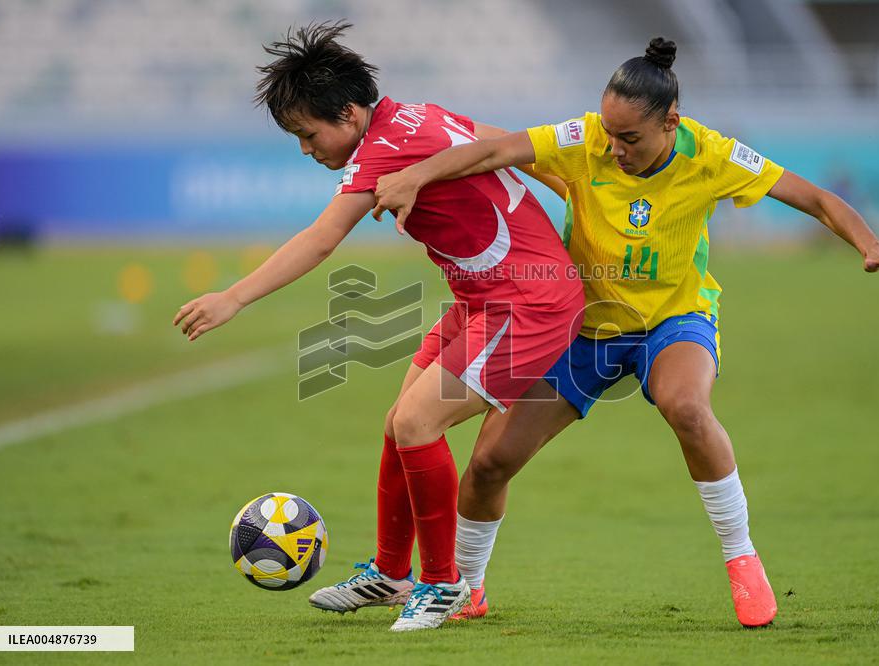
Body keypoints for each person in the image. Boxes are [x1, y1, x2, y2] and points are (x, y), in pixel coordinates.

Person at [372, 37, 879, 627]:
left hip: (673, 320)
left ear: (671, 124)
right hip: (584, 328)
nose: (614, 147)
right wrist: (416, 177)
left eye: (629, 138)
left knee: (685, 405)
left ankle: (741, 556)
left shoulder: (713, 155)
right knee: (489, 464)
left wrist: (869, 244)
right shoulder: (584, 141)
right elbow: (494, 151)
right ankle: (467, 590)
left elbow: (812, 197)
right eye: (609, 132)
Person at [172, 22, 583, 631]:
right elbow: (510, 142)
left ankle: (442, 585)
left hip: (527, 303)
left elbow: (320, 240)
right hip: (482, 298)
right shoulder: (414, 116)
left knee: (419, 424)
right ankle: (391, 574)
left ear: (349, 111)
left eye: (309, 135)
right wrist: (573, 190)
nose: (306, 150)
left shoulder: (385, 148)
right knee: (398, 427)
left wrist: (234, 296)